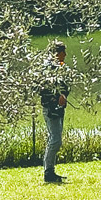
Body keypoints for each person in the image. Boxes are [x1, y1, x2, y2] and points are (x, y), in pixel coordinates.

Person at [40, 41, 70, 185]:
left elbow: (66, 85)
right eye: (63, 52)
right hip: (50, 108)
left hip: (60, 109)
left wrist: (64, 95)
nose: (65, 55)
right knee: (56, 140)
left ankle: (50, 171)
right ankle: (48, 173)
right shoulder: (46, 69)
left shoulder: (62, 68)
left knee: (55, 139)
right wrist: (55, 97)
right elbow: (42, 88)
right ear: (58, 53)